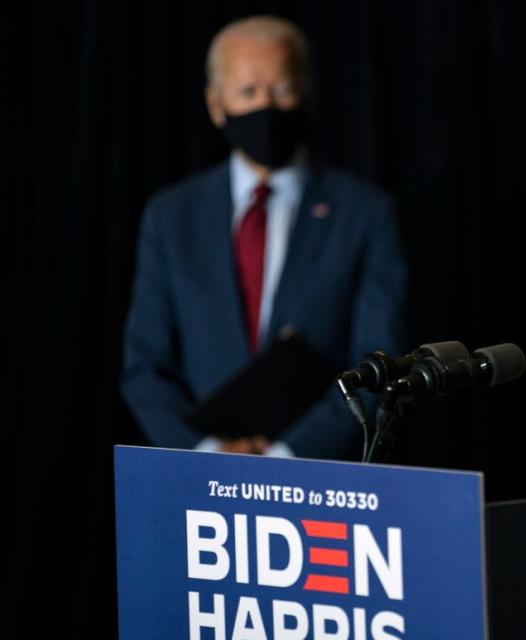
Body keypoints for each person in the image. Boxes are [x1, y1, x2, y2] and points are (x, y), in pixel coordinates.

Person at [121, 16, 407, 458]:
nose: (266, 107)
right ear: (216, 106)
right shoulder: (170, 216)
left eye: (282, 90)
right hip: (201, 476)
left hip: (320, 472)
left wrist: (285, 454)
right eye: (248, 92)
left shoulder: (365, 213)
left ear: (306, 95)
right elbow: (144, 366)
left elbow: (379, 359)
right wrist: (210, 450)